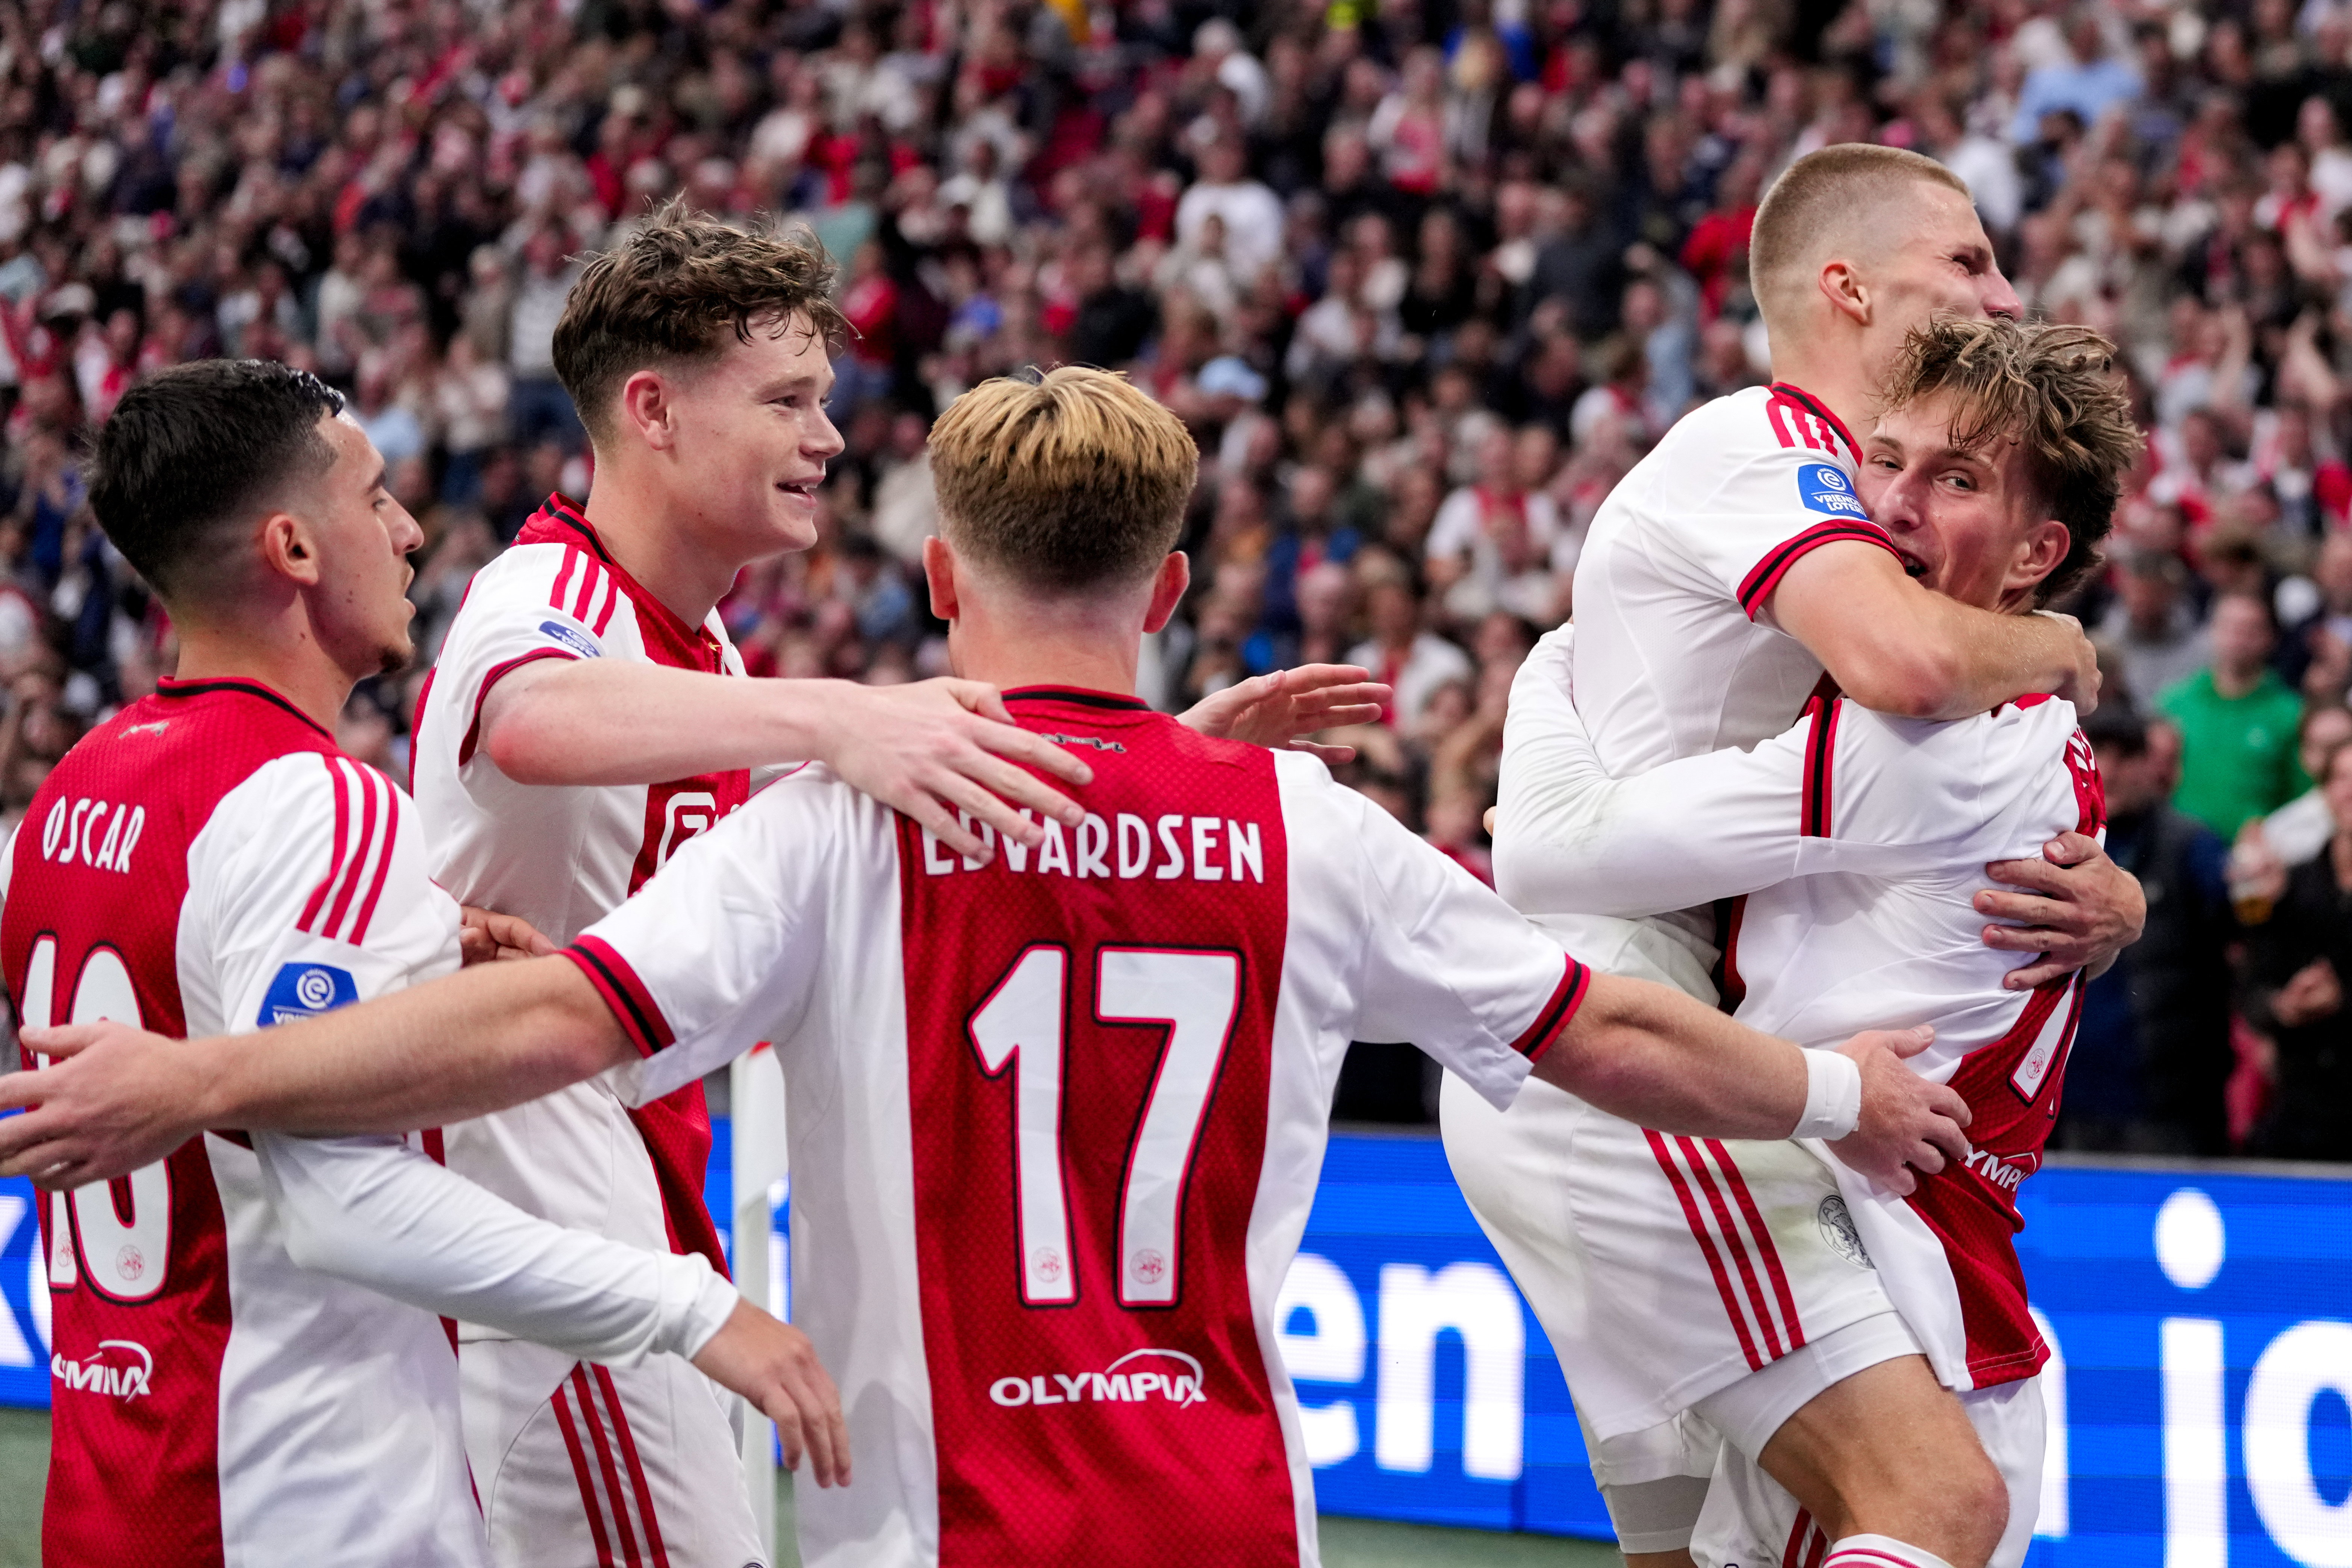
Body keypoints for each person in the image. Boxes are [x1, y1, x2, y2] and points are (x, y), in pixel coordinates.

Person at [0, 367, 1974, 1568]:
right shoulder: (1304, 828)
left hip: (933, 1520)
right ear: (1174, 586)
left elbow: (544, 1017)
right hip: (1217, 1508)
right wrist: (1837, 1092)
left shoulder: (851, 813)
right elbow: (1611, 1028)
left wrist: (203, 1080)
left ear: (942, 578)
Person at [412, 204, 1378, 1565]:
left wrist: (1158, 766)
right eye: (789, 399)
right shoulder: (541, 596)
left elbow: (860, 875)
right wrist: (840, 715)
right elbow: (526, 717)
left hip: (622, 1184)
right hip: (527, 1189)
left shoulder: (710, 659)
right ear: (652, 410)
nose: (827, 438)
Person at [0, 360, 834, 1568]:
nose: (406, 533)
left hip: (115, 1486)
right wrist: (690, 1308)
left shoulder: (78, 787)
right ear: (292, 547)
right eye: (378, 498)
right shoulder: (317, 801)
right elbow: (342, 1200)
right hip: (293, 1498)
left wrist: (420, 945)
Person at [1440, 144, 2145, 1568]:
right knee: (1936, 1505)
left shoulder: (1862, 549)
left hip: (1646, 1036)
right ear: (1842, 286)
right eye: (1962, 260)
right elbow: (1899, 669)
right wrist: (2063, 644)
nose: (1998, 291)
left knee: (1702, 1549)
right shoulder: (1768, 447)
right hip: (1633, 1040)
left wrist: (2110, 884)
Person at [2061, 703, 2237, 1156]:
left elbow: (2238, 938)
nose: (2112, 771)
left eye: (2128, 756)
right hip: (2068, 1090)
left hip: (2167, 1099)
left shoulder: (2191, 846)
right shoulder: (2053, 845)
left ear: (2151, 766)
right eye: (2100, 753)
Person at [2242, 739, 2352, 1161]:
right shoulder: (2289, 888)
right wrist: (2283, 1007)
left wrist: (2342, 1001)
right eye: (2341, 779)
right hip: (2303, 1118)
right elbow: (2251, 991)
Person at [2158, 591, 2308, 837]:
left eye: (2250, 629)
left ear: (2270, 638)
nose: (2238, 638)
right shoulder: (2174, 704)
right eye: (2228, 627)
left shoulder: (2291, 713)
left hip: (2254, 857)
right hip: (2182, 853)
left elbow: (2301, 796)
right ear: (2211, 632)